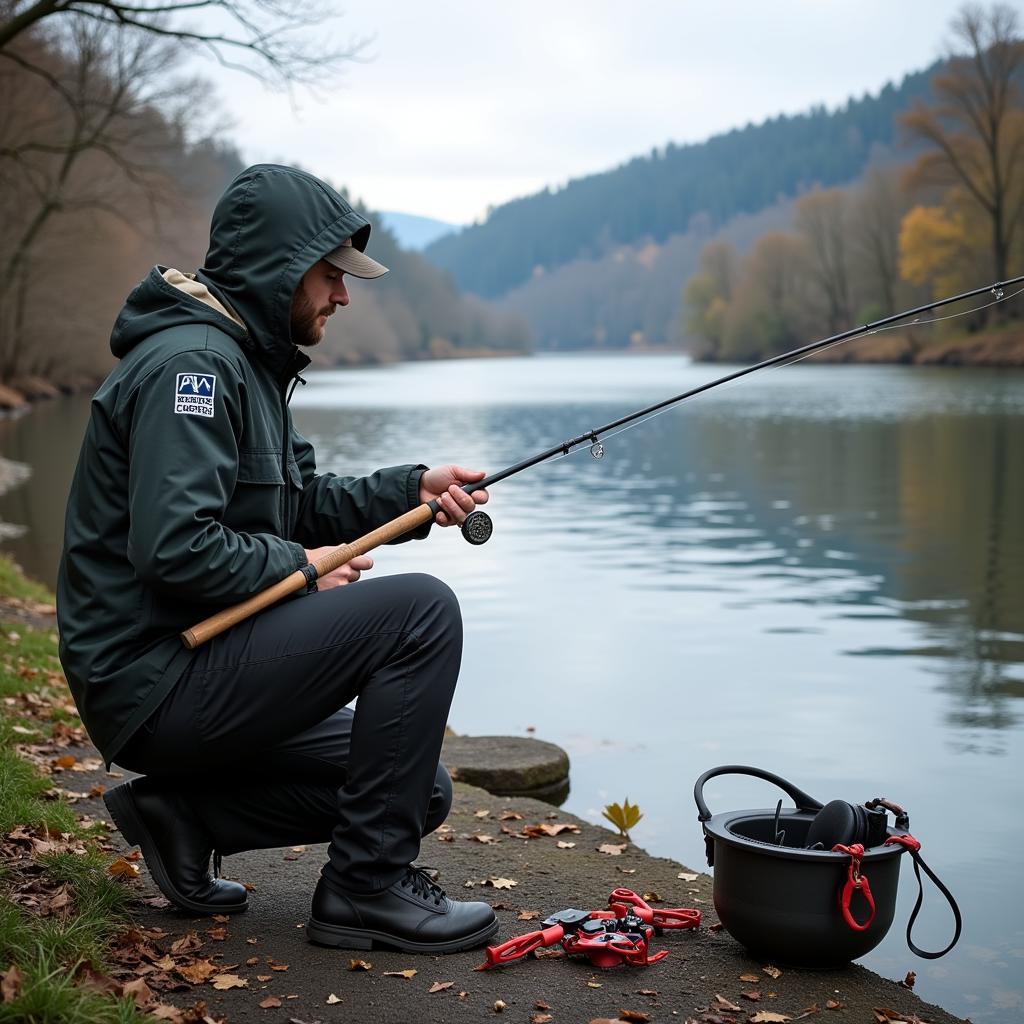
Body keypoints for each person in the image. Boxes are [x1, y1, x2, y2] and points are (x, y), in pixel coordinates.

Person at [56, 163, 499, 954]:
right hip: (154, 678)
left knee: (413, 789)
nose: (343, 295)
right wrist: (300, 568)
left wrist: (415, 492)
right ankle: (364, 894)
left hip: (204, 659)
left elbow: (301, 502)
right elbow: (176, 547)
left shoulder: (249, 366)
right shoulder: (191, 369)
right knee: (420, 612)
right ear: (279, 268)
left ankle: (184, 819)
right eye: (332, 274)